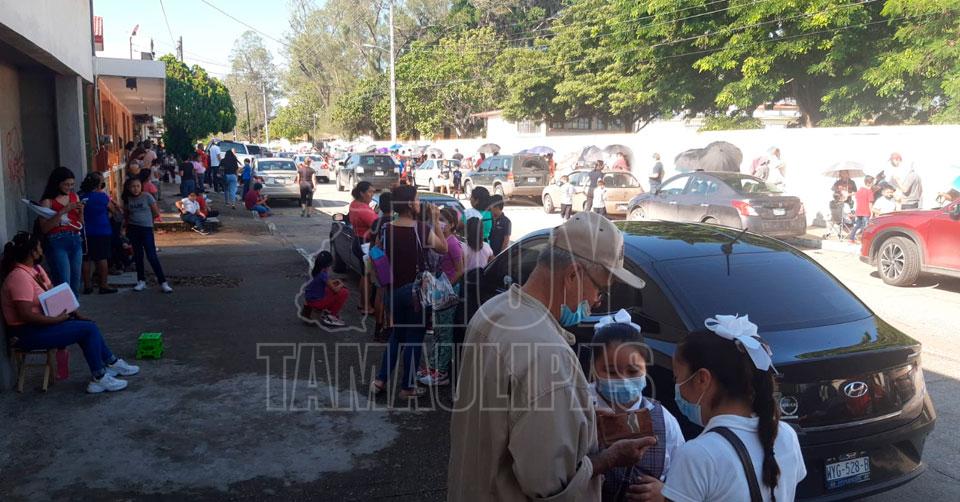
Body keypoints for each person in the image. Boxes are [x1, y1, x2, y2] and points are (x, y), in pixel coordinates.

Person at [448, 211, 651, 501]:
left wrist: (582, 426)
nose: (597, 301)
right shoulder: (548, 354)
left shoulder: (493, 310)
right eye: (601, 289)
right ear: (572, 275)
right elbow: (549, 484)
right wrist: (608, 459)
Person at [661, 315, 806, 502]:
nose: (677, 387)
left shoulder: (697, 455)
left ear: (702, 379)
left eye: (677, 377)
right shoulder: (785, 434)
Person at [1, 232, 140, 393]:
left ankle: (111, 363)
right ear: (32, 252)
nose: (41, 251)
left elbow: (51, 294)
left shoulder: (32, 270)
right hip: (26, 333)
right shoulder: (19, 277)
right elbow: (25, 315)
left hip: (39, 326)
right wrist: (57, 320)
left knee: (87, 326)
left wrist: (74, 314)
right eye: (39, 247)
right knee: (87, 330)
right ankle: (100, 377)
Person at [588, 310, 685, 502]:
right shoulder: (576, 408)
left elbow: (683, 479)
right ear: (594, 369)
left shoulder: (664, 421)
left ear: (646, 368)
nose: (623, 380)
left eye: (633, 371)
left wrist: (665, 493)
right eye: (611, 371)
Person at [370, 184, 448, 400]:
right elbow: (443, 248)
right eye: (416, 199)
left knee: (397, 335)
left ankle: (380, 381)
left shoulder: (386, 228)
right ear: (409, 204)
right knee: (414, 338)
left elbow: (378, 253)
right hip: (416, 293)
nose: (419, 202)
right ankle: (407, 388)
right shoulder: (421, 229)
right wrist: (435, 220)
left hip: (392, 291)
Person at [419, 207, 463, 387]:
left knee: (445, 333)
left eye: (443, 220)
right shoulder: (440, 240)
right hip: (439, 292)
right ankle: (433, 366)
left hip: (447, 294)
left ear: (452, 224)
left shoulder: (452, 243)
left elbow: (460, 270)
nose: (440, 223)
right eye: (438, 219)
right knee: (438, 331)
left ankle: (442, 371)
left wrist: (445, 289)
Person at [38, 166, 84, 296]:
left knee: (76, 280)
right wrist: (63, 211)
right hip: (57, 240)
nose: (69, 187)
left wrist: (81, 212)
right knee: (63, 280)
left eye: (72, 184)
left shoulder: (75, 197)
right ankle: (63, 307)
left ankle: (74, 306)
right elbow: (44, 228)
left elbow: (81, 223)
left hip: (75, 238)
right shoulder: (48, 202)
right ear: (58, 183)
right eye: (66, 184)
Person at [122, 178, 173, 293]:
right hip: (133, 229)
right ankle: (141, 280)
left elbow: (155, 212)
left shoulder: (147, 197)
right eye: (133, 186)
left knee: (151, 256)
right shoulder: (127, 199)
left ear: (141, 187)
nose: (135, 189)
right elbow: (126, 214)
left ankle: (163, 282)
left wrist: (148, 222)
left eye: (138, 186)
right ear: (129, 188)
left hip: (146, 229)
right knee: (138, 256)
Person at [78, 172, 118, 295]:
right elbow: (113, 210)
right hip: (102, 231)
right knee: (102, 259)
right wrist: (107, 215)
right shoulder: (102, 197)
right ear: (98, 185)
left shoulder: (80, 197)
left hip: (85, 231)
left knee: (86, 259)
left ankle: (87, 286)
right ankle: (103, 285)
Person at [301, 250, 348, 327]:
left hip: (309, 299)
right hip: (316, 302)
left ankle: (327, 312)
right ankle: (331, 316)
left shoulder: (315, 271)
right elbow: (335, 290)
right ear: (328, 265)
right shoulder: (323, 274)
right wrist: (341, 284)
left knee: (330, 288)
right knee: (344, 292)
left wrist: (334, 281)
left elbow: (325, 283)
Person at [849, 175, 875, 242]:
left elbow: (856, 196)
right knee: (865, 227)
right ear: (869, 183)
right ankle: (864, 240)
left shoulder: (860, 190)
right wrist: (871, 212)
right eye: (873, 182)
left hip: (858, 211)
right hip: (866, 212)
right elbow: (870, 203)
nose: (873, 184)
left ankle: (851, 238)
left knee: (857, 225)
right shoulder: (869, 191)